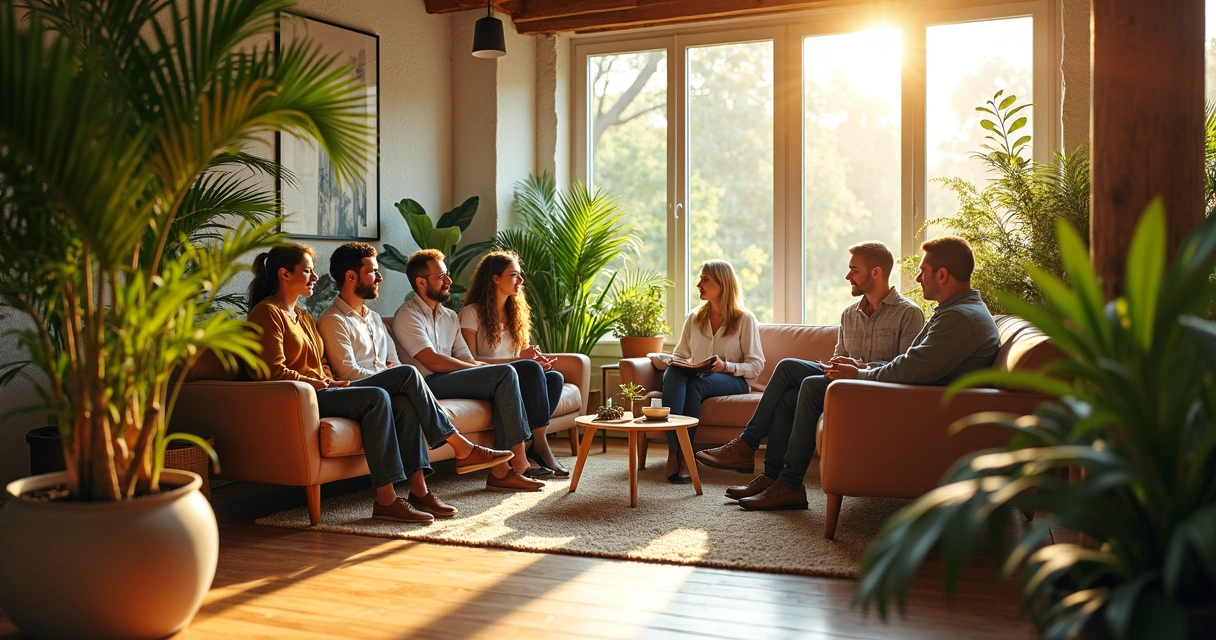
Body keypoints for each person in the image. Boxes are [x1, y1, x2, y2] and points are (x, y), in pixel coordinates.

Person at [698, 239, 979, 511]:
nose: (917, 278)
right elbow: (908, 364)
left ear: (942, 275)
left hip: (879, 391)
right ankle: (773, 476)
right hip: (867, 381)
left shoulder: (932, 315)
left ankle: (773, 470)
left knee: (805, 388)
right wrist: (844, 366)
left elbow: (907, 367)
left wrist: (858, 371)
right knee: (787, 373)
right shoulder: (946, 314)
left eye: (922, 271)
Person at [246, 244, 515, 524]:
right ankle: (456, 449)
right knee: (402, 379)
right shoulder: (268, 314)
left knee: (401, 399)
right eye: (307, 271)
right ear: (284, 274)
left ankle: (414, 492)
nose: (315, 277)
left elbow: (323, 361)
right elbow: (274, 370)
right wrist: (324, 381)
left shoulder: (302, 316)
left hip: (325, 389)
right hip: (308, 397)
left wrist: (329, 377)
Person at [391, 249, 544, 492]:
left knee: (514, 372)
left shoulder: (450, 316)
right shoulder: (407, 316)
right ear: (421, 282)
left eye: (447, 275)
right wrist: (480, 370)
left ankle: (503, 469)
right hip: (426, 384)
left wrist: (480, 368)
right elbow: (434, 362)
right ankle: (514, 464)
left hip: (450, 378)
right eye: (441, 276)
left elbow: (464, 356)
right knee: (505, 373)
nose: (448, 281)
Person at [459, 251, 570, 478]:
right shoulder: (472, 313)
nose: (520, 281)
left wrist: (534, 359)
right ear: (495, 278)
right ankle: (539, 444)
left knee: (554, 378)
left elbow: (519, 356)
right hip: (487, 379)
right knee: (530, 368)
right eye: (514, 275)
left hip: (516, 375)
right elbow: (469, 360)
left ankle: (533, 443)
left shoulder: (515, 315)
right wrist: (522, 360)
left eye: (520, 275)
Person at [651, 260, 764, 484]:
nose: (698, 284)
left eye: (705, 279)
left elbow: (756, 366)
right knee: (675, 373)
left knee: (696, 383)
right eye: (700, 278)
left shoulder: (745, 320)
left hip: (733, 381)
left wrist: (726, 366)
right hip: (698, 377)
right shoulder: (694, 318)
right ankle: (677, 453)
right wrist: (674, 362)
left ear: (722, 283)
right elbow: (681, 354)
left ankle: (683, 455)